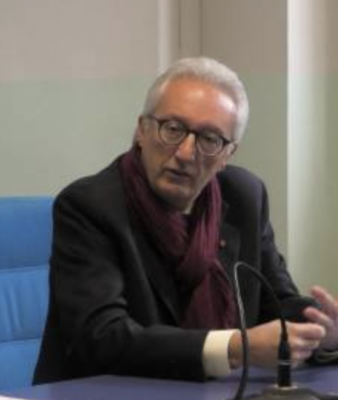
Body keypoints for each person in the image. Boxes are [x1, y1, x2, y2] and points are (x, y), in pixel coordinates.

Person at [34, 57, 338, 384]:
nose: (185, 153)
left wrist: (323, 333)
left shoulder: (245, 197)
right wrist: (234, 348)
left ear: (227, 154)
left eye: (209, 139)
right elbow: (103, 339)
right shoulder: (90, 206)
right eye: (173, 129)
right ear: (141, 130)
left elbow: (276, 306)